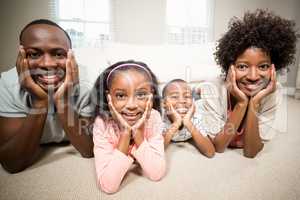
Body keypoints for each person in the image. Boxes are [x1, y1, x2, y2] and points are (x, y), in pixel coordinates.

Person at [198, 9, 297, 158]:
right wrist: (241, 104)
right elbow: (219, 146)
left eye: (262, 66)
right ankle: (196, 93)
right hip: (208, 98)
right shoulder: (213, 88)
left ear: (273, 68)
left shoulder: (273, 91)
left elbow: (251, 152)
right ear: (229, 67)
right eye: (242, 66)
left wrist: (254, 102)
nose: (253, 76)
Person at [0, 19, 94, 173]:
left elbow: (88, 150)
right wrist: (40, 102)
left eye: (58, 54)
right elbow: (12, 163)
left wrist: (63, 101)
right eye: (34, 54)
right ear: (21, 57)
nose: (48, 64)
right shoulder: (7, 83)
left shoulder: (87, 82)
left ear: (71, 57)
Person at [91, 60, 166, 194]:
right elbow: (108, 186)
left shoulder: (154, 117)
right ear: (109, 97)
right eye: (120, 95)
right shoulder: (102, 123)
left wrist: (138, 132)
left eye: (141, 94)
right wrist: (125, 133)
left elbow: (156, 173)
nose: (131, 105)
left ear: (151, 94)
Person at [161, 79, 215, 157]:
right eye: (175, 97)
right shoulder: (160, 120)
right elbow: (157, 151)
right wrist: (176, 123)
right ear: (164, 103)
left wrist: (188, 123)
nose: (182, 101)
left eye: (187, 96)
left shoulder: (196, 118)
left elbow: (210, 152)